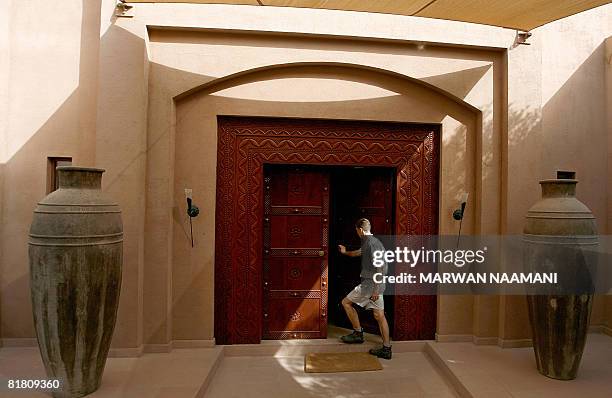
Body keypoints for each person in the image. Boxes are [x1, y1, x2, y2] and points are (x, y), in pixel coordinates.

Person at [337, 218, 392, 360]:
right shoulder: (371, 242)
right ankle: (387, 349)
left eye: (356, 231)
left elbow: (379, 267)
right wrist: (345, 252)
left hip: (370, 286)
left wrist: (375, 290)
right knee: (379, 316)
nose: (357, 233)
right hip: (376, 285)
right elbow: (357, 253)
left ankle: (357, 333)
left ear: (360, 230)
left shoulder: (372, 244)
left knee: (345, 303)